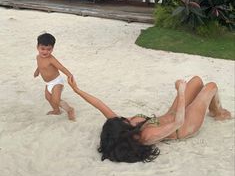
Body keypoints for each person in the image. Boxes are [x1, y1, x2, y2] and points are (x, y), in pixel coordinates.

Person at [68, 76, 231, 162]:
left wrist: (77, 90)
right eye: (126, 120)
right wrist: (180, 92)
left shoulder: (124, 128)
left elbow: (100, 105)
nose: (127, 117)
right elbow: (178, 122)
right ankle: (219, 113)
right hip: (184, 125)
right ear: (129, 132)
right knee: (211, 87)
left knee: (196, 81)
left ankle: (211, 107)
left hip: (171, 114)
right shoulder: (147, 136)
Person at [34, 33, 75, 121]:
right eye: (42, 49)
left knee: (56, 99)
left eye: (49, 49)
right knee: (48, 97)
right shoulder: (38, 57)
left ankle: (70, 110)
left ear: (52, 49)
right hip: (48, 83)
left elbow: (61, 67)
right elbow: (40, 65)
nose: (45, 51)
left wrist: (69, 75)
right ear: (37, 47)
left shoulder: (51, 59)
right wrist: (37, 71)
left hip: (57, 82)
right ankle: (56, 110)